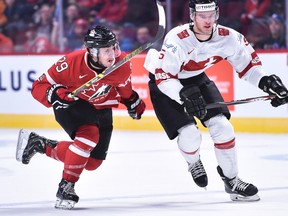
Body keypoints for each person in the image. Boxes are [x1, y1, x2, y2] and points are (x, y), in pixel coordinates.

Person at [144, 0, 288, 202]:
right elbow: (165, 77)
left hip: (196, 78)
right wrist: (183, 96)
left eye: (211, 15)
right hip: (166, 83)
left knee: (223, 127)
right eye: (203, 16)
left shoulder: (228, 37)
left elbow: (248, 67)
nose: (208, 20)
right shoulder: (177, 38)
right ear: (193, 16)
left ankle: (232, 180)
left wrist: (267, 83)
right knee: (190, 133)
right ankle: (193, 162)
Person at [16, 25, 146, 209]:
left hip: (101, 108)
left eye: (114, 47)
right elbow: (38, 86)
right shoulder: (70, 63)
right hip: (71, 104)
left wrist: (131, 100)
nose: (112, 53)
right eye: (106, 50)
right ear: (93, 51)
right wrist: (55, 94)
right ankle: (66, 186)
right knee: (88, 136)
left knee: (92, 162)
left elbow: (123, 85)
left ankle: (39, 144)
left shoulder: (121, 63)